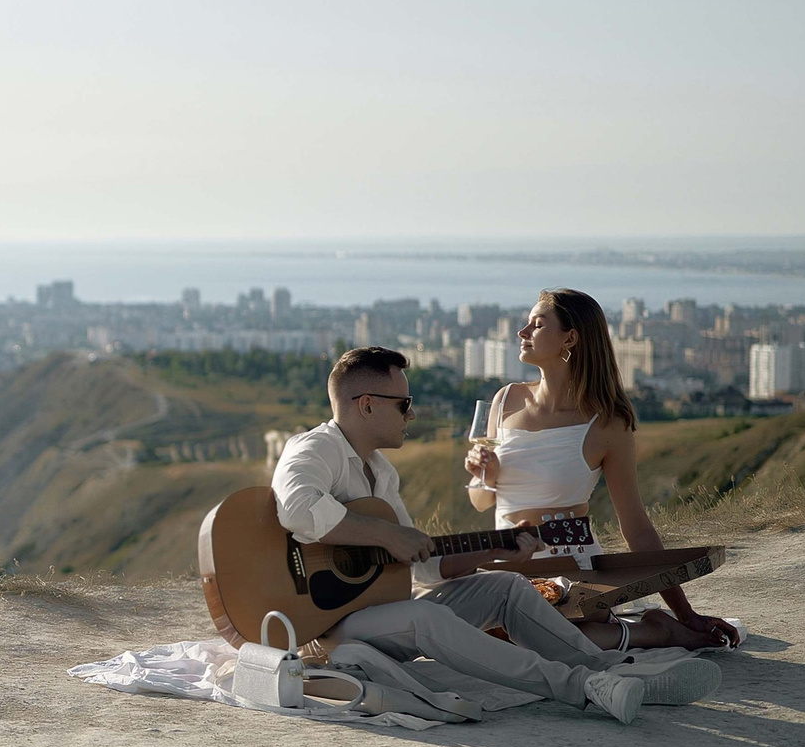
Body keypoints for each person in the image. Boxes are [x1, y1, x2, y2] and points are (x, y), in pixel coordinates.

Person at [272, 346, 718, 724]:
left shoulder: (381, 474)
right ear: (367, 405)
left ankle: (612, 670)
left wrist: (495, 548)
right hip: (321, 626)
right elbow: (296, 507)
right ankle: (583, 687)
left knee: (505, 587)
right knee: (426, 618)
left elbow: (426, 568)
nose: (413, 414)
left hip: (377, 611)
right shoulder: (316, 447)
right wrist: (386, 534)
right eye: (403, 405)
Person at [466, 289, 742, 651]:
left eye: (537, 324)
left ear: (570, 338)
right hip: (509, 561)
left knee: (535, 641)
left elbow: (635, 525)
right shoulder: (505, 400)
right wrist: (486, 476)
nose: (523, 332)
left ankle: (661, 629)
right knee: (482, 638)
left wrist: (684, 612)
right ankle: (639, 632)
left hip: (569, 567)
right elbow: (482, 501)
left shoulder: (606, 423)